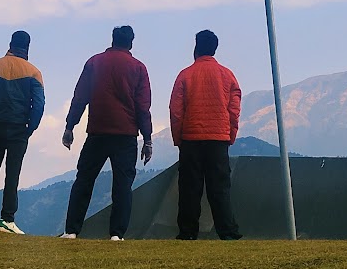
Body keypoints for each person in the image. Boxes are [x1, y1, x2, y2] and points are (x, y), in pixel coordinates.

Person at [61, 26, 153, 240]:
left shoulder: (94, 62)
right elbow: (143, 107)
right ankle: (116, 234)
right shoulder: (138, 68)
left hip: (97, 132)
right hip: (126, 134)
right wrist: (147, 139)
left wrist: (70, 126)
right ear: (131, 42)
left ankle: (71, 231)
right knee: (122, 185)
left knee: (84, 180)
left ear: (112, 40)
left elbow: (80, 97)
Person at [169, 30, 244, 241]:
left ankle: (188, 232)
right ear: (215, 48)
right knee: (219, 187)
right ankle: (228, 231)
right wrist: (230, 135)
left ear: (196, 47)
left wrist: (178, 138)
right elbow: (234, 110)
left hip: (191, 139)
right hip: (218, 139)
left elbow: (176, 110)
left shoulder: (185, 75)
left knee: (189, 188)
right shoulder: (228, 75)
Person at [0, 30, 45, 234]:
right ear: (27, 47)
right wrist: (30, 127)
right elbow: (38, 106)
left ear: (10, 44)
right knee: (12, 174)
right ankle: (7, 220)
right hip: (19, 129)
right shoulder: (34, 72)